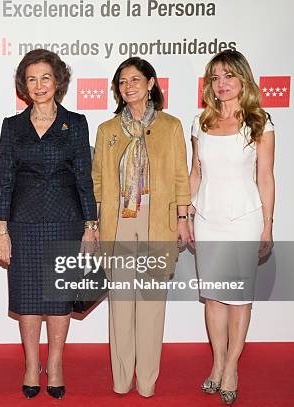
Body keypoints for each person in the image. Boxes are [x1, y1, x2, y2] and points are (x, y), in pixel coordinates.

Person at [0, 49, 97, 400]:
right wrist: (2, 229)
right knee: (26, 299)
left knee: (58, 299)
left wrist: (91, 225)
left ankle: (55, 364)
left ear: (58, 82)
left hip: (65, 222)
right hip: (22, 224)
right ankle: (30, 364)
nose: (38, 85)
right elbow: (4, 180)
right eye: (32, 79)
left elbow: (84, 177)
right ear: (24, 84)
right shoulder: (12, 125)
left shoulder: (76, 123)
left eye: (45, 78)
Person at [91, 57, 190, 398]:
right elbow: (98, 183)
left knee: (150, 308)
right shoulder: (107, 131)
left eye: (135, 79)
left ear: (151, 84)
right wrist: (94, 226)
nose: (128, 86)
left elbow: (180, 177)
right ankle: (121, 379)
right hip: (118, 225)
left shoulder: (171, 126)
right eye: (122, 81)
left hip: (156, 223)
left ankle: (147, 381)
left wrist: (182, 218)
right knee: (120, 307)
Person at [189, 50, 275, 405]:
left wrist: (267, 226)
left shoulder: (259, 122)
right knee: (213, 297)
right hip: (208, 218)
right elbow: (194, 173)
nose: (221, 84)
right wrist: (186, 216)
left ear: (243, 79)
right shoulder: (200, 121)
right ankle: (217, 362)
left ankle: (231, 367)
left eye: (228, 76)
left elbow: (266, 177)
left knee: (239, 299)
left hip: (244, 219)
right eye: (215, 78)